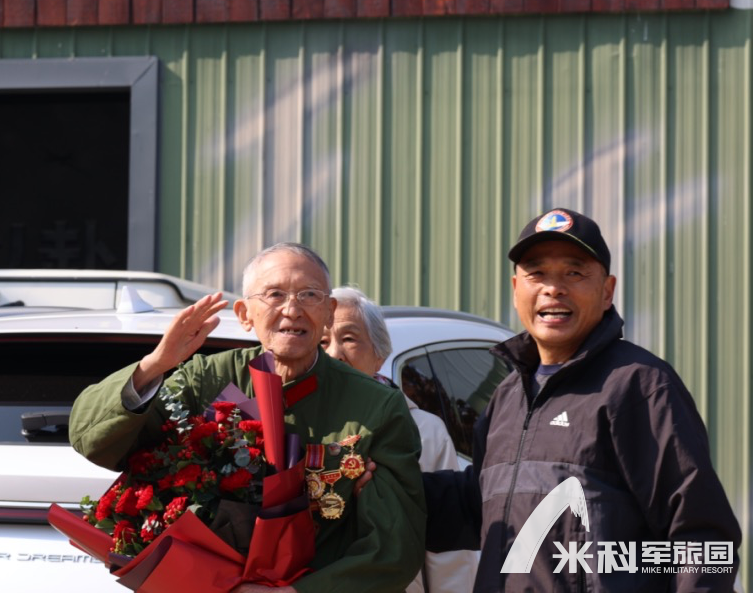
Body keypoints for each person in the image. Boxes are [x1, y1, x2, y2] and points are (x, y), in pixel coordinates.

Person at [69, 242, 426, 593]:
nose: (292, 309)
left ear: (329, 312)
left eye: (309, 295)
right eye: (274, 295)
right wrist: (155, 364)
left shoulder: (376, 406)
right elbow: (92, 440)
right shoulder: (206, 380)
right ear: (244, 314)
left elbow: (393, 549)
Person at [424, 208, 742, 592]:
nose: (553, 288)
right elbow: (477, 506)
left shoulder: (639, 386)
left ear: (607, 291)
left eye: (574, 273)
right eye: (536, 273)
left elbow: (702, 536)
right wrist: (378, 483)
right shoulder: (508, 396)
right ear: (516, 288)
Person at [323, 285, 479, 593]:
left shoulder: (423, 430)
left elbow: (447, 551)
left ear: (379, 355)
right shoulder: (294, 426)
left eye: (349, 339)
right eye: (322, 342)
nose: (334, 354)